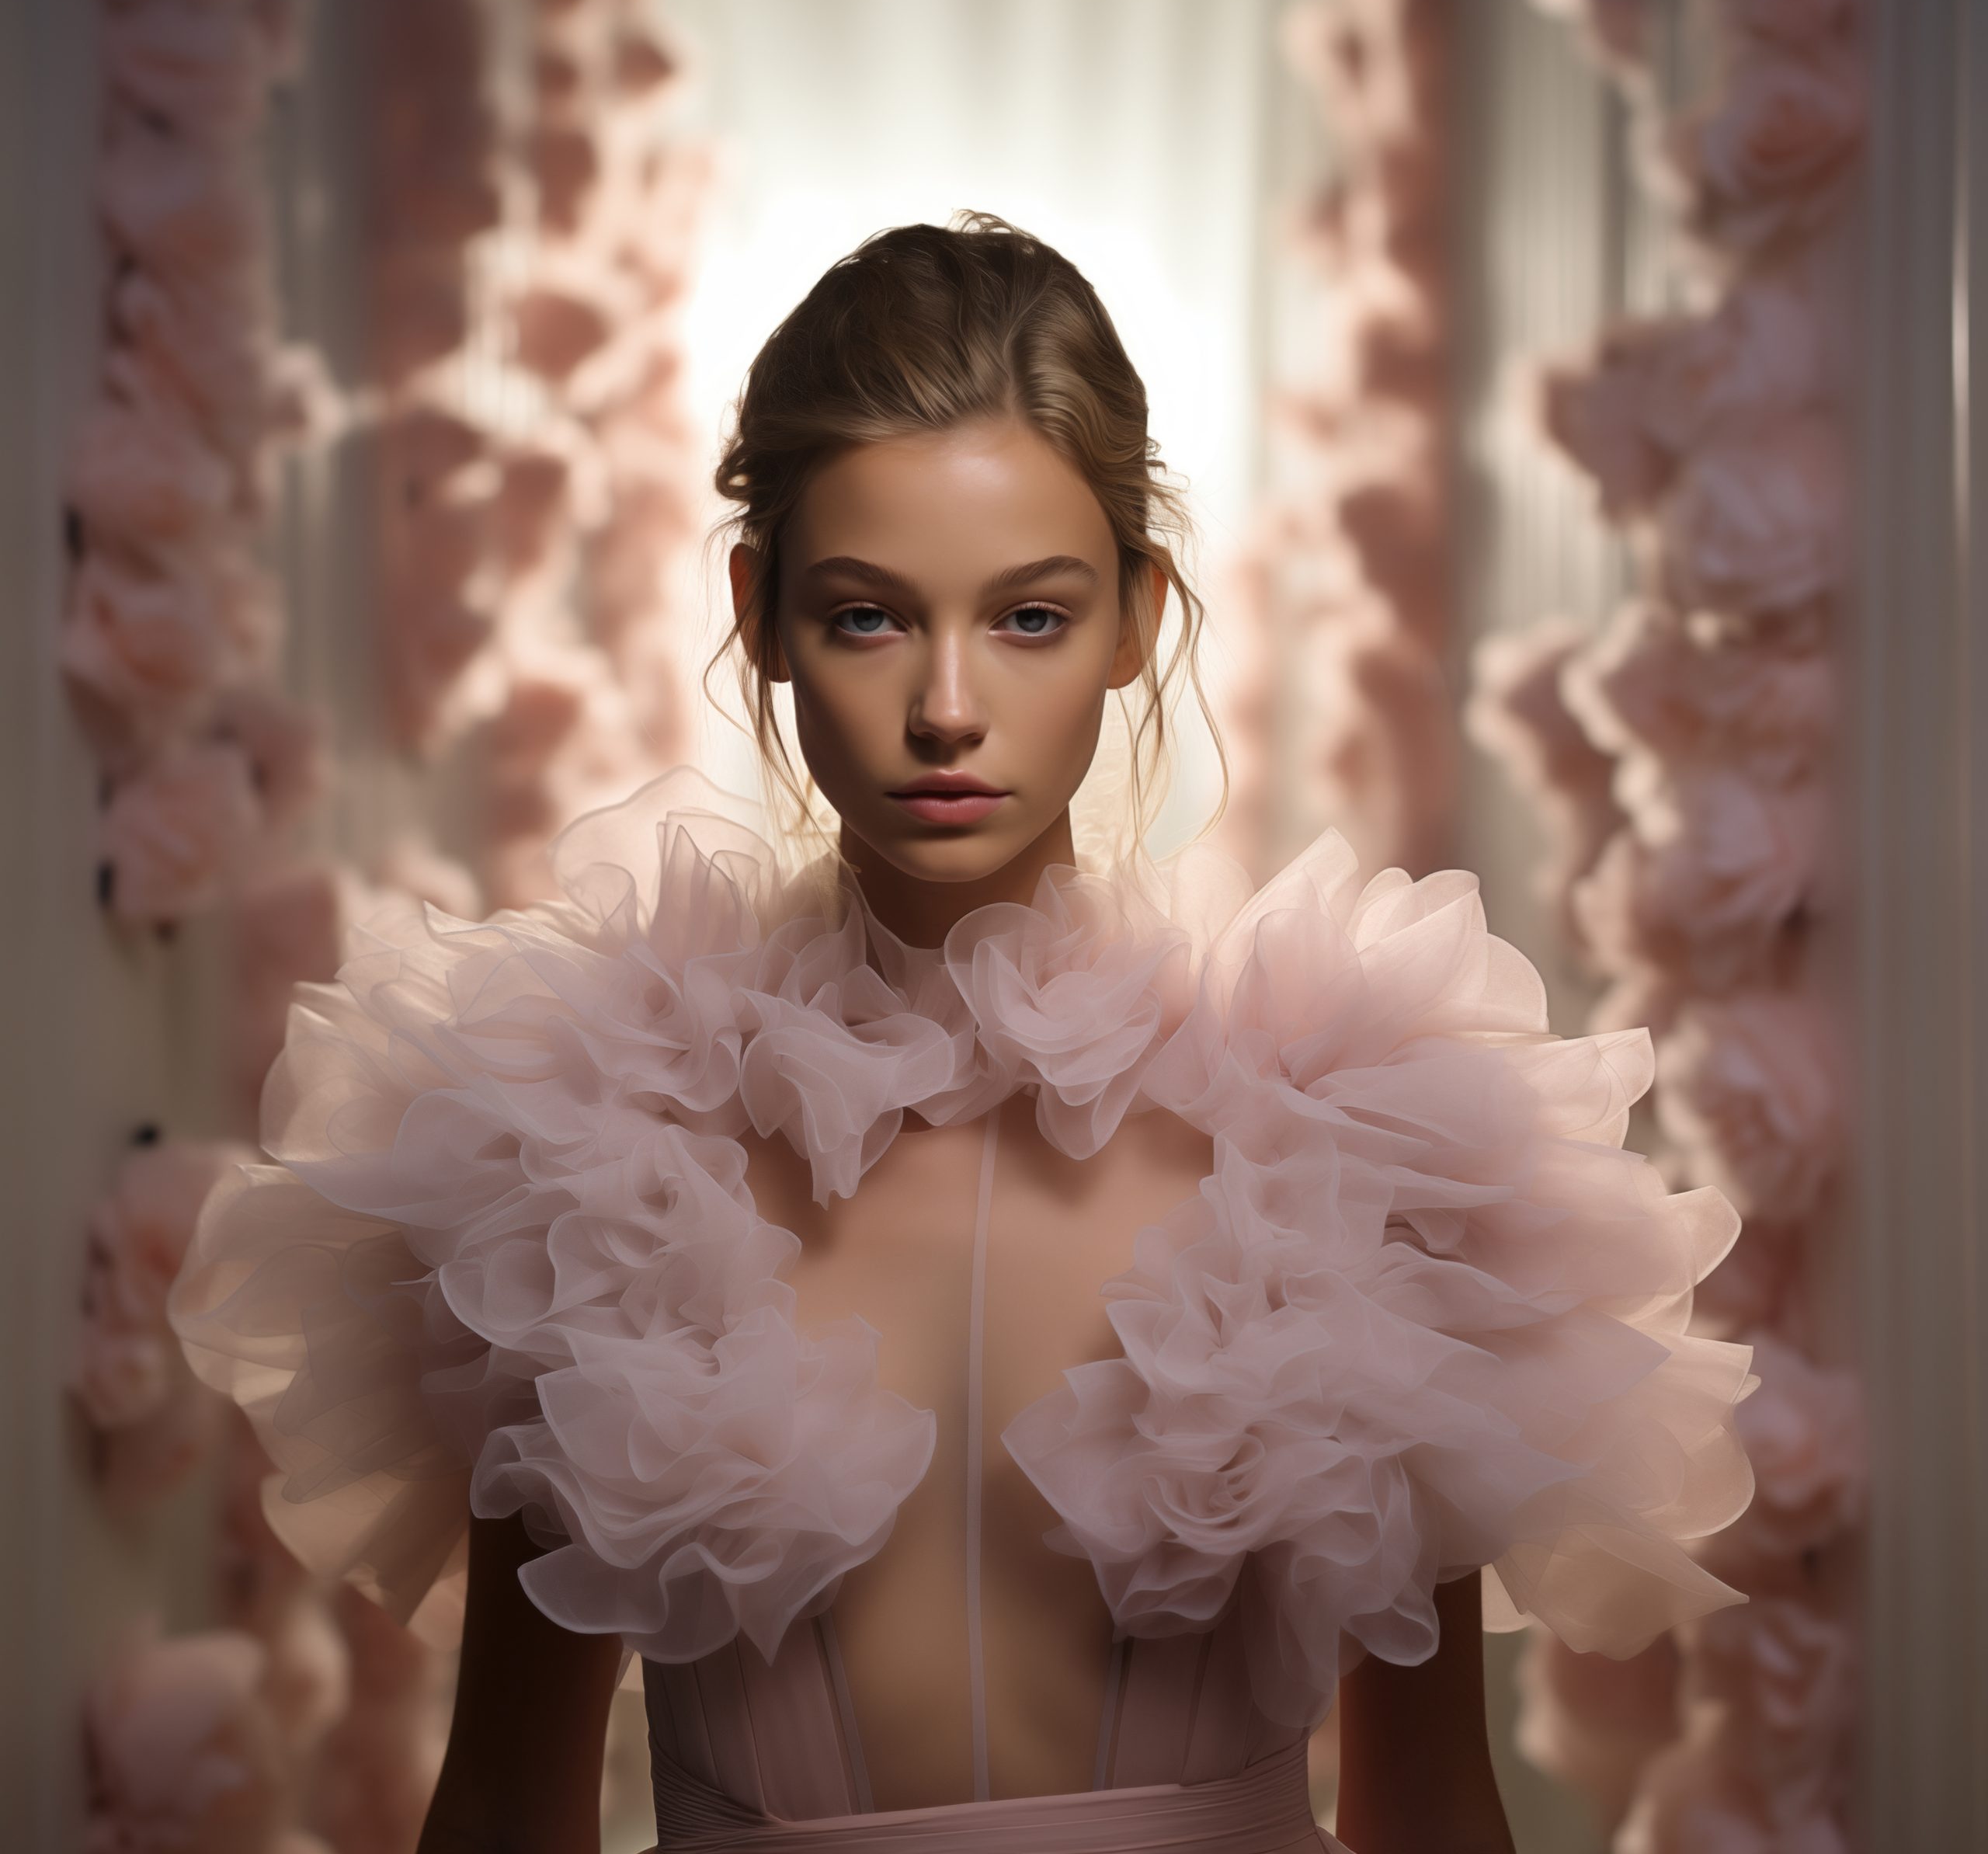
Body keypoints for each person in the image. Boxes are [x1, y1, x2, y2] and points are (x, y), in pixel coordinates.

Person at [170, 214, 1758, 1854]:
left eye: (1027, 615)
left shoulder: (1352, 1138)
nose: (943, 705)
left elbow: (1432, 1814)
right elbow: (503, 1807)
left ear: (1138, 615)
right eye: (865, 614)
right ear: (761, 612)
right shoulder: (586, 1150)